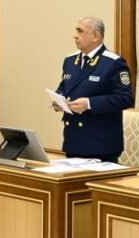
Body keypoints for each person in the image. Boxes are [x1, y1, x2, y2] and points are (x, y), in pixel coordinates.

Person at [52, 16, 134, 162]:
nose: (75, 35)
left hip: (101, 144)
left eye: (80, 31)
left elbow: (125, 98)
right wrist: (59, 99)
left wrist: (89, 104)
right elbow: (63, 87)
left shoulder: (113, 63)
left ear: (95, 35)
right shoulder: (70, 60)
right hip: (73, 141)